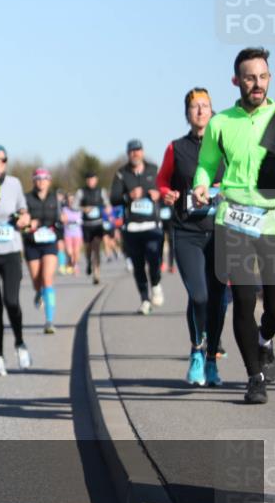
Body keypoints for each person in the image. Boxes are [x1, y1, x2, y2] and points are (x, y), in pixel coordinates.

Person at [194, 47, 275, 404]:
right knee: (244, 299)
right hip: (234, 218)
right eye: (250, 77)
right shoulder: (220, 122)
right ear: (236, 80)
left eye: (262, 76)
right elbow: (206, 164)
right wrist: (201, 184)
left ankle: (264, 338)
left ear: (269, 79)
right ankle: (254, 377)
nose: (256, 84)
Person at [158, 87, 228, 387]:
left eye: (205, 105)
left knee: (219, 301)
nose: (200, 111)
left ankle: (211, 360)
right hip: (187, 230)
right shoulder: (176, 148)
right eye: (194, 106)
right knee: (198, 296)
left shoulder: (225, 145)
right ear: (187, 113)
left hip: (220, 229)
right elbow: (162, 180)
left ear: (212, 111)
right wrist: (167, 193)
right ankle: (197, 350)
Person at [0, 144, 33, 375]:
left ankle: (20, 343)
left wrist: (24, 218)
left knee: (11, 301)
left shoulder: (14, 183)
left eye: (3, 160)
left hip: (11, 251)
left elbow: (24, 210)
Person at [111, 139, 164, 315]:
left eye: (138, 150)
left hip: (152, 225)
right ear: (128, 154)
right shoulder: (121, 173)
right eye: (132, 151)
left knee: (154, 260)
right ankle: (144, 300)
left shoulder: (153, 169)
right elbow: (114, 198)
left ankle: (156, 284)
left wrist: (159, 194)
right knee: (138, 265)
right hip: (132, 227)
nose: (135, 153)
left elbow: (164, 189)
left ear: (143, 152)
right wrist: (128, 196)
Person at [23, 168, 62, 334]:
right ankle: (39, 292)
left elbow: (60, 221)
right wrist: (28, 223)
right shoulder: (26, 198)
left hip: (49, 243)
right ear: (33, 181)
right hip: (32, 243)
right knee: (36, 280)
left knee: (47, 278)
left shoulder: (55, 198)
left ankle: (49, 321)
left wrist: (59, 236)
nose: (41, 181)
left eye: (44, 178)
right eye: (38, 179)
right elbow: (21, 221)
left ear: (49, 181)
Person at [76, 172, 111, 284]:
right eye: (89, 179)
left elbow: (107, 204)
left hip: (98, 224)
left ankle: (97, 273)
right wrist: (83, 208)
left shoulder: (101, 191)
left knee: (96, 247)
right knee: (88, 248)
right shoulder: (81, 192)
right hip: (86, 225)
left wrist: (107, 208)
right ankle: (88, 262)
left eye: (93, 179)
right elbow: (73, 205)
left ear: (96, 180)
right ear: (86, 181)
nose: (91, 182)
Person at [61, 194, 83, 276]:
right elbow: (63, 219)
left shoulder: (79, 210)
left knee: (76, 252)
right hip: (68, 234)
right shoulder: (64, 209)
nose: (71, 202)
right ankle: (70, 262)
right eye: (69, 200)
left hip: (78, 234)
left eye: (72, 200)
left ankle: (75, 266)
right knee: (70, 252)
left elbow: (83, 220)